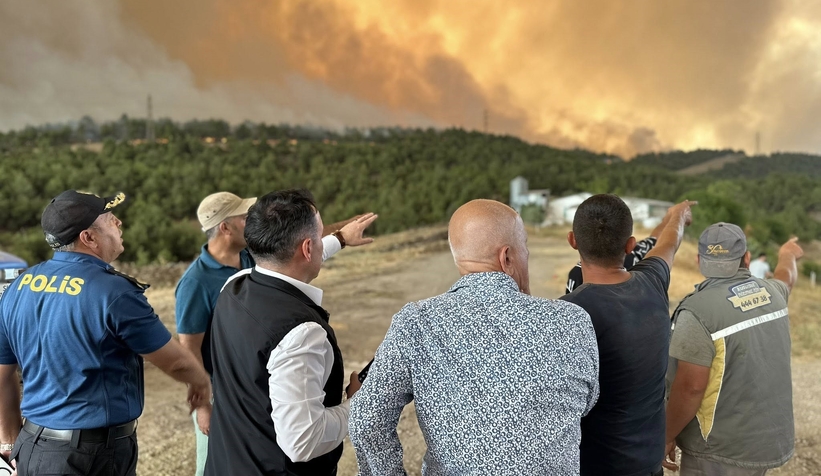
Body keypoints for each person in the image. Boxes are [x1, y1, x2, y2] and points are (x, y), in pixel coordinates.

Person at [349, 199, 600, 475]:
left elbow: (366, 420)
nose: (527, 254)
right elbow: (585, 402)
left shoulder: (416, 322)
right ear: (506, 257)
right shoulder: (572, 321)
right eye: (524, 246)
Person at [0, 190, 211, 476]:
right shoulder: (113, 292)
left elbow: (2, 375)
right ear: (89, 237)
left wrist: (10, 442)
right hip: (91, 456)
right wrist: (200, 382)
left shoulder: (19, 286)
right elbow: (176, 362)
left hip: (33, 447)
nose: (120, 223)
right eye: (112, 220)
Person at [174, 191, 376, 475]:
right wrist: (358, 403)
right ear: (307, 248)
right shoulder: (301, 333)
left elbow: (290, 260)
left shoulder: (233, 285)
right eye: (318, 237)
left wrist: (340, 238)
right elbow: (303, 442)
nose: (320, 244)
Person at [561, 195, 695, 476]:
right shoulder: (654, 280)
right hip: (648, 462)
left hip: (599, 467)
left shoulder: (567, 315)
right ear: (630, 245)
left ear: (573, 240)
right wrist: (678, 216)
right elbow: (669, 243)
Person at [664, 224, 802, 475]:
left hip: (719, 450)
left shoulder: (698, 312)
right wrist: (788, 254)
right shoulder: (774, 292)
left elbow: (691, 387)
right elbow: (786, 277)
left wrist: (666, 435)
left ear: (699, 260)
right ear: (746, 258)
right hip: (764, 442)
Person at [565, 211, 671, 294]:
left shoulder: (576, 275)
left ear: (572, 240)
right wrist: (674, 216)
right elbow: (657, 240)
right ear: (630, 245)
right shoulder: (633, 260)